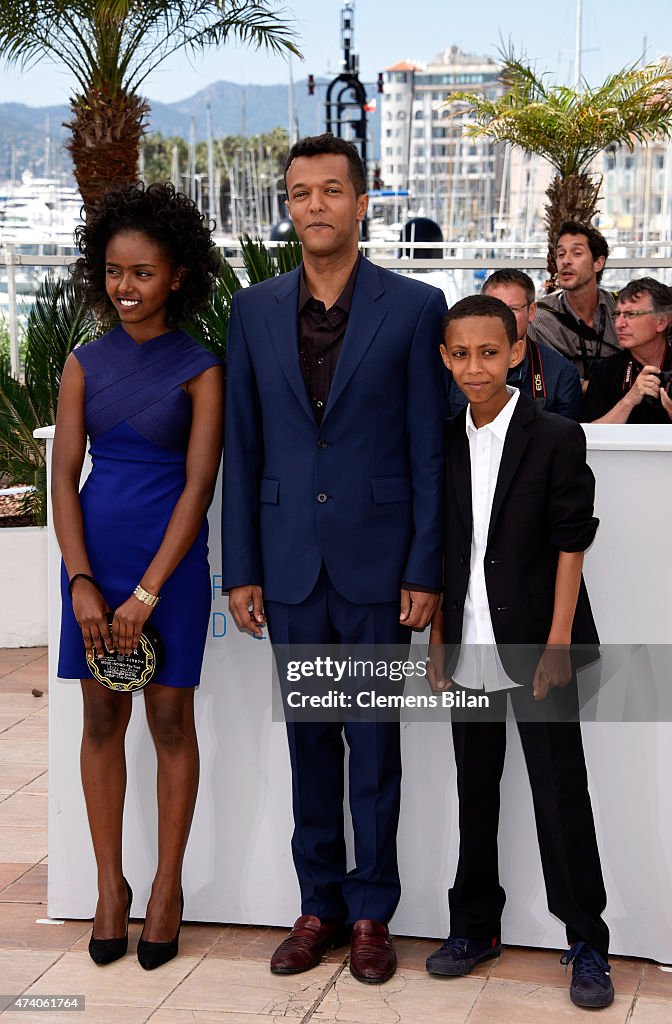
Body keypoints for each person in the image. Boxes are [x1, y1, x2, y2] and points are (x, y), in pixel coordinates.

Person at [223, 133, 446, 984]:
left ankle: (371, 914)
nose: (314, 205)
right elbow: (244, 448)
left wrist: (424, 568)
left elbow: (430, 452)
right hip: (288, 566)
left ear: (361, 202)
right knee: (310, 744)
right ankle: (316, 905)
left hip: (379, 568)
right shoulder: (254, 310)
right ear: (289, 207)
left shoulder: (416, 307)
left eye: (329, 191)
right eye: (299, 193)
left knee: (374, 745)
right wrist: (240, 565)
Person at [53, 182, 223, 970]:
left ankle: (165, 890)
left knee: (169, 724)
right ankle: (109, 891)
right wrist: (82, 581)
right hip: (93, 565)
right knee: (99, 724)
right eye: (115, 272)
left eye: (144, 273)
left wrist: (148, 591)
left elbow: (198, 489)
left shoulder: (200, 368)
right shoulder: (83, 362)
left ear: (177, 274)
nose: (126, 287)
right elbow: (62, 480)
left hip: (172, 571)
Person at [427, 294, 613, 1010]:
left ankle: (587, 938)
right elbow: (444, 548)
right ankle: (475, 929)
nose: (475, 367)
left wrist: (560, 643)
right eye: (460, 354)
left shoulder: (557, 436)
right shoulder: (440, 440)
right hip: (468, 640)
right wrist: (439, 641)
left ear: (516, 352)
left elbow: (573, 543)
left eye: (489, 352)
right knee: (476, 790)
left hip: (542, 646)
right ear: (445, 358)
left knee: (559, 792)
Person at [448, 269, 582, 419]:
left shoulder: (561, 375)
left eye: (513, 309)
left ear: (531, 311)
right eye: (494, 309)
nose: (504, 318)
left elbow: (564, 439)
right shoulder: (452, 367)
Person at [528, 222, 620, 388]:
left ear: (598, 263)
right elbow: (545, 376)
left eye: (577, 253)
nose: (566, 261)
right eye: (561, 254)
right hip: (564, 409)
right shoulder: (540, 316)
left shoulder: (619, 310)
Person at [582, 278, 672, 423]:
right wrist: (629, 400)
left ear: (661, 322)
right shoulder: (607, 371)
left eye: (631, 314)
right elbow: (589, 436)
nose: (619, 324)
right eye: (617, 314)